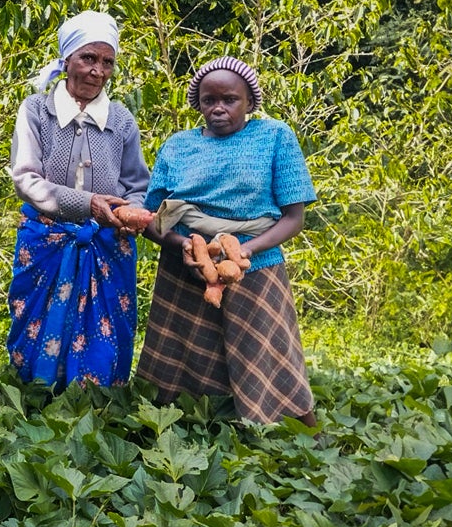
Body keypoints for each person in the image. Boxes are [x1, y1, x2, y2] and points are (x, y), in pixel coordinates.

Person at [136, 56, 318, 426]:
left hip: (256, 268)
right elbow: (152, 218)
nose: (218, 109)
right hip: (186, 268)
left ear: (250, 101)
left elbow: (294, 218)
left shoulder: (274, 137)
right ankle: (186, 426)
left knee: (265, 352)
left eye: (230, 100)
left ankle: (297, 437)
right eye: (209, 101)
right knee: (187, 352)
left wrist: (245, 251)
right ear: (197, 103)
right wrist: (182, 246)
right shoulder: (178, 145)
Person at [3, 11, 149, 390]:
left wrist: (131, 210)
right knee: (35, 323)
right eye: (88, 58)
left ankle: (98, 405)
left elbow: (136, 183)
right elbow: (26, 178)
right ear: (66, 60)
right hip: (46, 239)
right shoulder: (36, 111)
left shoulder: (122, 120)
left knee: (105, 332)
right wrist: (88, 206)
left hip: (107, 243)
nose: (97, 71)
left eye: (107, 62)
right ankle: (35, 401)